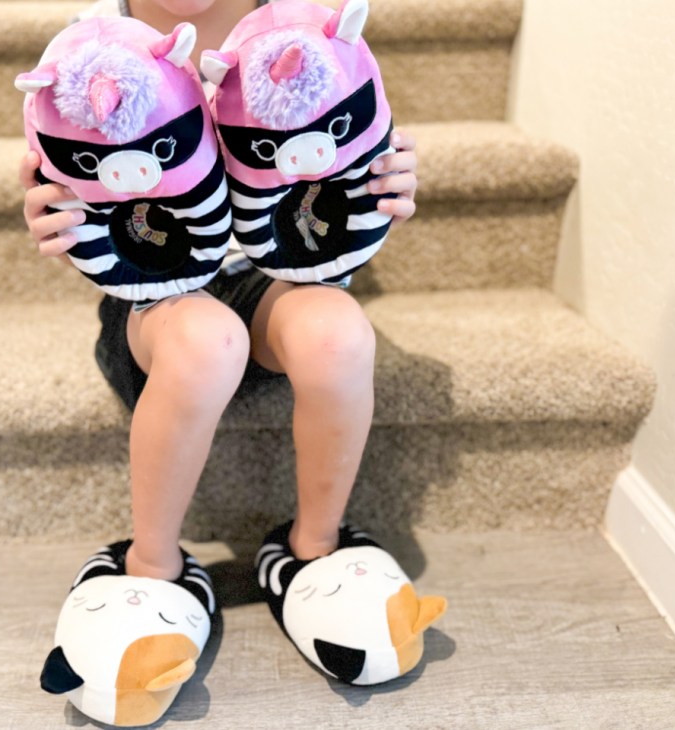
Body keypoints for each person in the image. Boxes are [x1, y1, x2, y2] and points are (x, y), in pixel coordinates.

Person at [22, 0, 419, 696]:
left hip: (271, 285)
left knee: (339, 334)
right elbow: (68, 180)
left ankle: (313, 550)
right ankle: (150, 566)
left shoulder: (305, 35)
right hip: (155, 303)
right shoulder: (97, 46)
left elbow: (349, 153)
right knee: (207, 342)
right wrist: (53, 216)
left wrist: (388, 184)